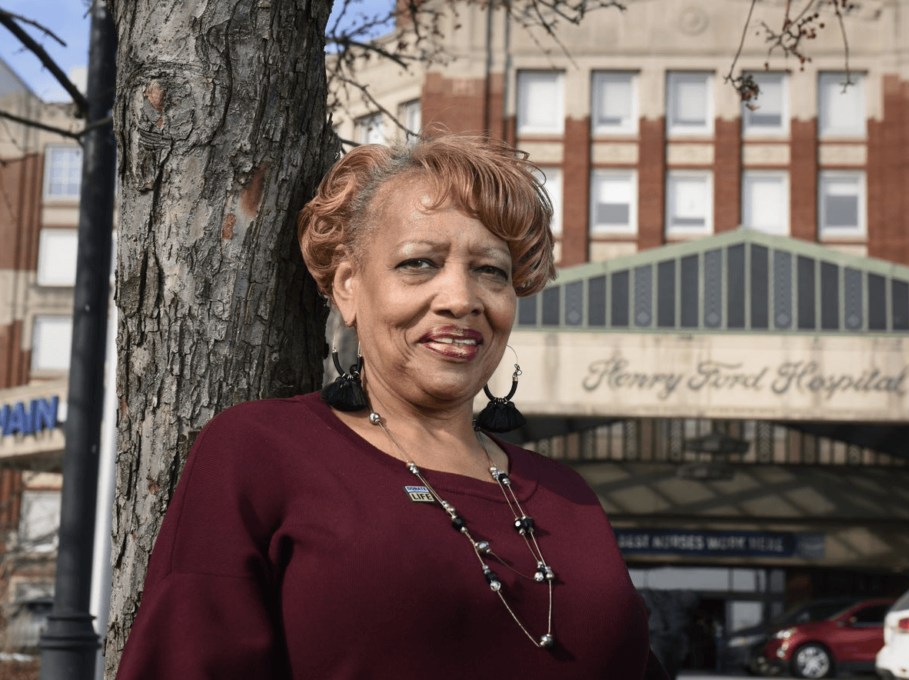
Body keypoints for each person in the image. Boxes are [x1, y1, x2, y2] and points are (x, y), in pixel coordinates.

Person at [115, 134, 669, 679]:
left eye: (490, 271)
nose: (461, 299)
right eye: (419, 264)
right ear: (349, 287)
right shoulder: (262, 452)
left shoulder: (569, 498)